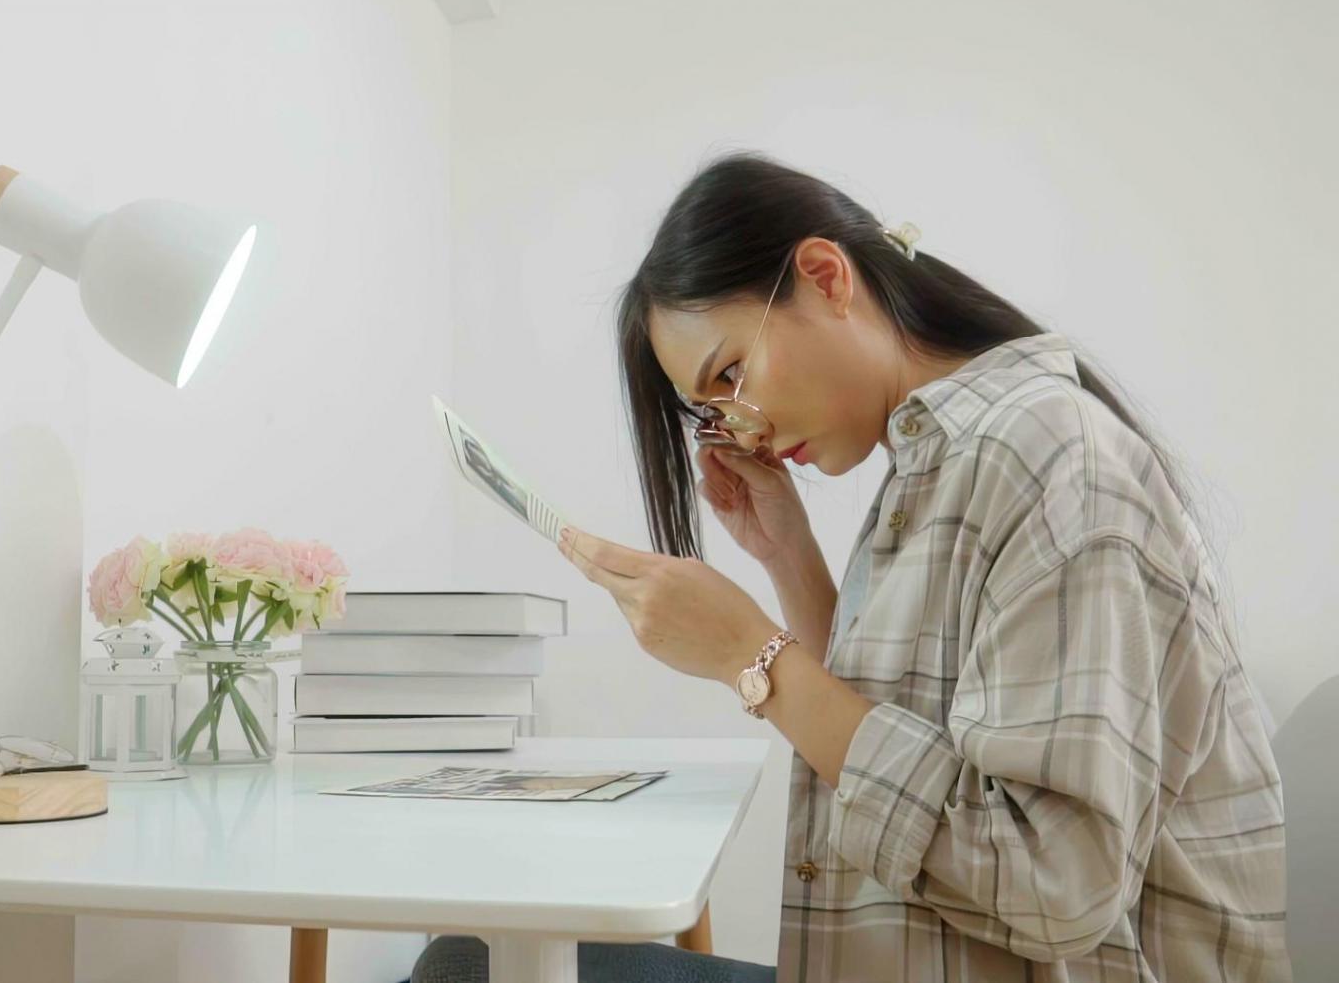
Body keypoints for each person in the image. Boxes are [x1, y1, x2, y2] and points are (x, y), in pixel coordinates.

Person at [413, 154, 1287, 982]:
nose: (741, 428)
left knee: (464, 966)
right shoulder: (947, 459)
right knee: (474, 956)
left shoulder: (1045, 453)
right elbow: (913, 725)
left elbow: (1056, 886)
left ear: (827, 278)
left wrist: (750, 658)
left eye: (731, 373)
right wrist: (787, 553)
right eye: (710, 410)